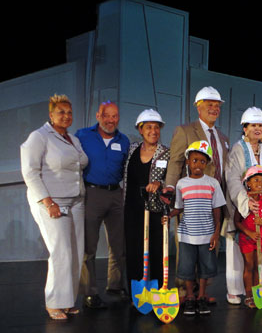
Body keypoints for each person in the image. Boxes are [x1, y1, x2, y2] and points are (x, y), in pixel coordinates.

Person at [21, 94, 88, 320]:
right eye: (61, 112)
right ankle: (53, 302)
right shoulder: (39, 137)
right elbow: (30, 172)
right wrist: (47, 202)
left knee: (77, 252)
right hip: (53, 201)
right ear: (51, 115)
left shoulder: (73, 139)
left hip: (77, 199)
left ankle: (67, 301)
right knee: (61, 251)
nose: (66, 116)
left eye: (69, 112)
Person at [164, 86, 229, 304]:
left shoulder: (221, 136)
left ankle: (202, 292)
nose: (214, 108)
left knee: (209, 247)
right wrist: (171, 189)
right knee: (188, 247)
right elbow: (175, 163)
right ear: (198, 107)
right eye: (209, 105)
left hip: (213, 200)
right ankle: (184, 291)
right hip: (190, 199)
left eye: (217, 105)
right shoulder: (185, 131)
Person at [76, 101, 130, 309]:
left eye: (114, 116)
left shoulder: (123, 140)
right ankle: (89, 292)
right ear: (98, 115)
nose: (110, 120)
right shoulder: (82, 135)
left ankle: (115, 286)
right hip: (92, 194)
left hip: (116, 194)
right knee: (88, 246)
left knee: (118, 245)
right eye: (106, 115)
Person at [165, 141, 225, 315]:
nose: (198, 164)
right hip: (187, 236)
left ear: (207, 164)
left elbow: (217, 210)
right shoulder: (182, 184)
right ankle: (190, 297)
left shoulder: (213, 183)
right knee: (187, 268)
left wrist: (215, 233)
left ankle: (201, 296)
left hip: (207, 235)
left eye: (202, 161)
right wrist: (168, 216)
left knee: (206, 268)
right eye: (194, 160)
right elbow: (179, 207)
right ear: (188, 162)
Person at [225, 107, 262, 305]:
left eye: (261, 125)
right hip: (243, 209)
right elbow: (233, 179)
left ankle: (261, 290)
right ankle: (238, 291)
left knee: (261, 257)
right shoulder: (237, 149)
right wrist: (247, 203)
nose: (257, 128)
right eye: (253, 125)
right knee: (241, 256)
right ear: (244, 128)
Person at [123, 109, 169, 290]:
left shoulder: (166, 153)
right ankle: (136, 292)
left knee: (157, 252)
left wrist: (160, 182)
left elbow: (174, 179)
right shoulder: (132, 149)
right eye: (148, 127)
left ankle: (158, 290)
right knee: (134, 251)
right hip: (132, 209)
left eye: (157, 127)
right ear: (140, 130)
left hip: (155, 210)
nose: (153, 131)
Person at [234, 165, 262, 308]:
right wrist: (248, 232)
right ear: (248, 183)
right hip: (247, 238)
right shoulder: (243, 200)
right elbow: (236, 222)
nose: (260, 184)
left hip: (260, 238)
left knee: (258, 266)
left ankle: (257, 294)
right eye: (256, 180)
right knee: (249, 266)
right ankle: (248, 295)